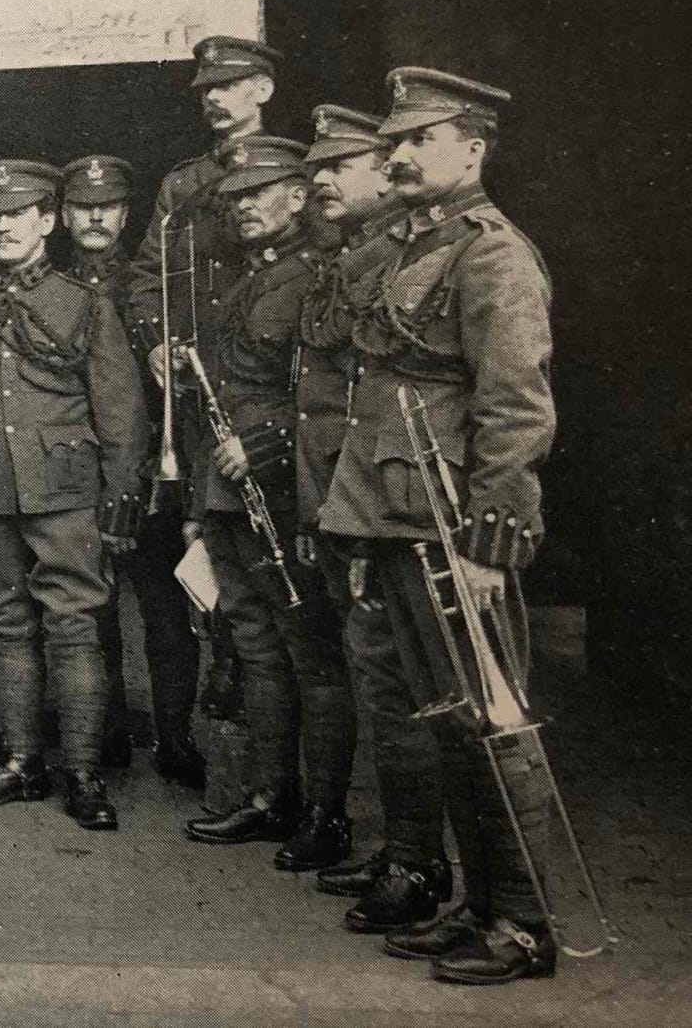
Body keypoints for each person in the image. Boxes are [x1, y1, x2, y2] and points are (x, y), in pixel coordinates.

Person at [317, 68, 557, 984]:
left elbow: (515, 404)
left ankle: (526, 926)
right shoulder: (408, 245)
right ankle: (480, 906)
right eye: (396, 141)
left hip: (457, 525)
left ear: (474, 149)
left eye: (421, 139)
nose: (399, 154)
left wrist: (494, 535)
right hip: (398, 514)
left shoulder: (493, 254)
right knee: (449, 716)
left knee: (493, 716)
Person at [0, 159, 147, 830]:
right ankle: (20, 763)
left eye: (18, 215)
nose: (4, 227)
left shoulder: (84, 304)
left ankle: (82, 770)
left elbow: (121, 413)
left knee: (73, 627)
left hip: (67, 493)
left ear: (48, 221)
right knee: (7, 624)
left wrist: (120, 499)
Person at [174, 138, 356, 874]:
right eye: (237, 195)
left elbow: (327, 390)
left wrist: (270, 444)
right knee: (254, 643)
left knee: (311, 650)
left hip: (284, 486)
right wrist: (199, 498)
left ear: (299, 197)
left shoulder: (318, 278)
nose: (245, 205)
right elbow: (220, 392)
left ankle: (326, 813)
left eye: (262, 191)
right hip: (226, 485)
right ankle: (269, 796)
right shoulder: (246, 281)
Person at [294, 106, 452, 925]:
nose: (325, 180)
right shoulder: (352, 258)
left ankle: (423, 863)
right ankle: (406, 852)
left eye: (345, 164)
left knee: (422, 692)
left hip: (401, 500)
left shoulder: (411, 259)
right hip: (352, 495)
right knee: (380, 682)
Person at [129, 35, 285, 723]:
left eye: (231, 84)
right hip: (202, 407)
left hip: (269, 407)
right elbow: (144, 281)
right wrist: (156, 340)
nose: (216, 99)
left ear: (264, 90)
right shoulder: (182, 186)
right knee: (216, 577)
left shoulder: (293, 172)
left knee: (279, 590)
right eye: (206, 91)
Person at [57, 154, 203, 785]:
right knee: (95, 606)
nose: (95, 217)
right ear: (61, 217)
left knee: (165, 606)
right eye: (82, 207)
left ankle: (175, 736)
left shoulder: (157, 286)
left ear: (126, 214)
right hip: (78, 470)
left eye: (108, 207)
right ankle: (109, 726)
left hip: (152, 466)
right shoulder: (53, 287)